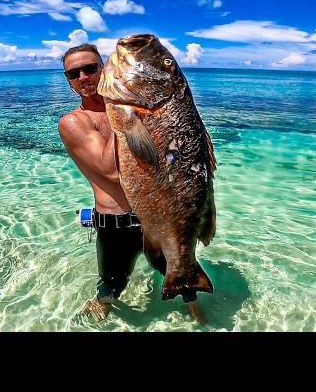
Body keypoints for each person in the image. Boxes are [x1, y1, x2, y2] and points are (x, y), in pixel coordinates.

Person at [57, 43, 207, 325]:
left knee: (184, 277)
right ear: (68, 81)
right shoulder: (74, 122)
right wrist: (126, 112)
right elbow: (111, 172)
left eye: (90, 68)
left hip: (159, 217)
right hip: (116, 225)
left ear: (105, 69)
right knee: (113, 285)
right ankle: (95, 320)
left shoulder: (137, 109)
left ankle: (203, 321)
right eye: (73, 74)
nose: (83, 78)